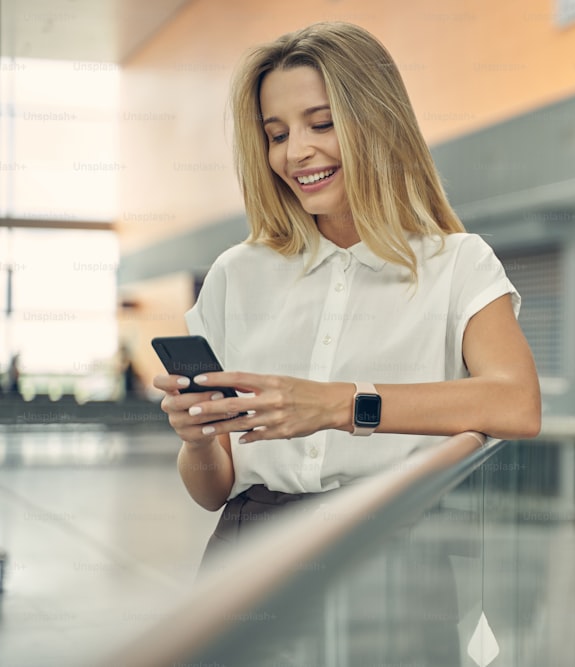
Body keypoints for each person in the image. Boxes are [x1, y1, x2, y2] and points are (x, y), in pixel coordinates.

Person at [151, 21, 541, 664]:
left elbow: (515, 403)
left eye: (321, 123)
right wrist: (196, 441)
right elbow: (212, 488)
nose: (294, 152)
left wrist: (337, 403)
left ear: (376, 121)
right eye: (276, 135)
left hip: (393, 538)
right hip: (252, 542)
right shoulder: (235, 273)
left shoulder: (458, 262)